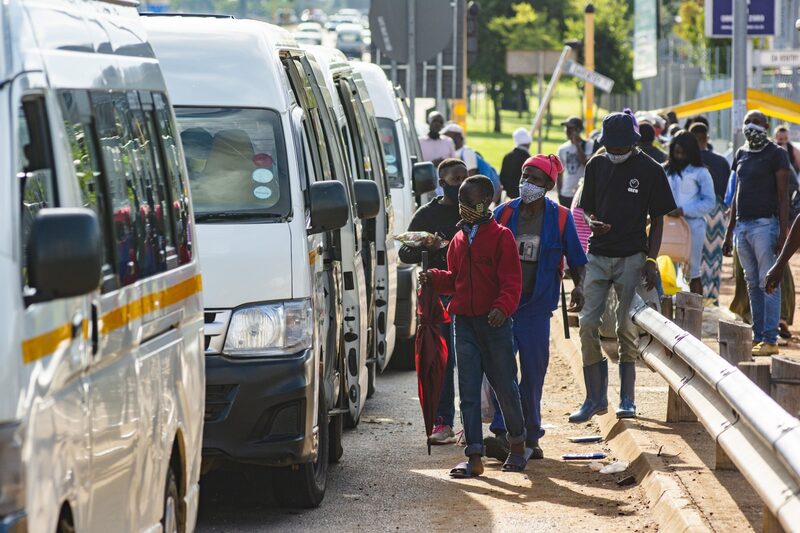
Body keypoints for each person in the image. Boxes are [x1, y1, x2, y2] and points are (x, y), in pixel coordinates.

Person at [571, 111, 676, 422]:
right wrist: (593, 222)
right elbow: (586, 206)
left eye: (621, 148)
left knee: (625, 328)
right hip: (598, 254)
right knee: (588, 324)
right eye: (611, 148)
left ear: (633, 142)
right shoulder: (597, 164)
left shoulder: (651, 170)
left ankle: (627, 399)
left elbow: (658, 219)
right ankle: (594, 398)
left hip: (632, 255)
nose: (615, 153)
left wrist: (651, 259)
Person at [420, 175, 528, 478]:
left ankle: (517, 445)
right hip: (464, 323)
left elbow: (511, 283)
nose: (461, 206)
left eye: (466, 202)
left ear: (482, 204)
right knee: (467, 391)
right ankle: (474, 456)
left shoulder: (501, 237)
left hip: (494, 324)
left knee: (505, 387)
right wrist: (434, 278)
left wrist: (501, 308)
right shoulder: (457, 239)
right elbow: (456, 279)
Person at [483, 154, 587, 461]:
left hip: (537, 309)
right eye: (525, 177)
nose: (527, 184)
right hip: (504, 306)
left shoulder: (561, 218)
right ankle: (504, 433)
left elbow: (578, 261)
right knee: (502, 371)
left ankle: (531, 435)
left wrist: (579, 286)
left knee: (533, 373)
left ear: (549, 185)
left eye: (535, 180)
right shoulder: (503, 213)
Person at [399, 159, 466, 445]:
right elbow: (405, 252)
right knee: (442, 360)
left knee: (471, 360)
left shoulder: (475, 211)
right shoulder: (427, 215)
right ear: (442, 183)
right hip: (438, 297)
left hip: (470, 293)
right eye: (455, 179)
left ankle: (473, 425)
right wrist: (429, 245)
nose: (461, 184)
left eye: (466, 178)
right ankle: (443, 422)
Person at [723, 110, 792, 356]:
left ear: (766, 125)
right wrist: (729, 230)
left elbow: (783, 197)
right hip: (743, 225)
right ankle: (758, 335)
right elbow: (737, 194)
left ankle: (770, 338)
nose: (751, 126)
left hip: (766, 225)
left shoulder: (777, 154)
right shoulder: (741, 153)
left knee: (768, 282)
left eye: (756, 122)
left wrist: (783, 235)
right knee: (752, 283)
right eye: (747, 122)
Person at [663, 131, 715, 295]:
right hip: (667, 226)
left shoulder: (701, 172)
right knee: (665, 266)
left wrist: (684, 211)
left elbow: (709, 202)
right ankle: (665, 311)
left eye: (683, 153)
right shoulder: (664, 170)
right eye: (676, 152)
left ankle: (695, 313)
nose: (679, 156)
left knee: (693, 270)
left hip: (693, 227)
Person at [690, 122, 731, 304]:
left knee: (691, 258)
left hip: (692, 213)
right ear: (707, 138)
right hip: (717, 213)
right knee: (713, 258)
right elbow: (727, 192)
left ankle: (692, 300)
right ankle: (712, 298)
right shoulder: (721, 161)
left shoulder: (686, 162)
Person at [557, 117, 593, 207]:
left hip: (581, 193)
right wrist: (560, 193)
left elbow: (585, 162)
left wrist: (577, 144)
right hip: (566, 194)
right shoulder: (562, 149)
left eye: (570, 128)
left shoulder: (588, 145)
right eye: (566, 128)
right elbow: (559, 173)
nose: (567, 131)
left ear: (578, 130)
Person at [500, 128, 531, 199]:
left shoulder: (508, 156)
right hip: (523, 194)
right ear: (529, 143)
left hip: (510, 192)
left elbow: (502, 176)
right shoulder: (527, 158)